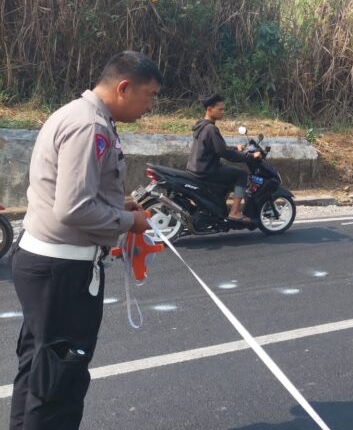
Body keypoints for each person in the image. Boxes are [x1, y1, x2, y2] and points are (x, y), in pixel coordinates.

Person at [10, 51, 162, 430]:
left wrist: (117, 203)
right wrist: (130, 220)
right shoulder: (89, 126)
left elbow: (74, 193)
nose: (151, 106)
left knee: (38, 369)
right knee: (60, 379)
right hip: (61, 270)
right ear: (123, 87)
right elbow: (74, 209)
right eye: (150, 95)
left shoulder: (77, 115)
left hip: (46, 264)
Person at [186, 93, 261, 222]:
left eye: (223, 109)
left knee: (229, 173)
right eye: (220, 109)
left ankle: (220, 204)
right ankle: (235, 212)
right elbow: (226, 154)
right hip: (207, 170)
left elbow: (219, 148)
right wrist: (250, 156)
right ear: (210, 109)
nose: (223, 112)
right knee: (241, 175)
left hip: (196, 168)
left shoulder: (202, 126)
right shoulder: (211, 129)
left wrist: (235, 148)